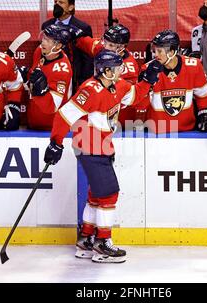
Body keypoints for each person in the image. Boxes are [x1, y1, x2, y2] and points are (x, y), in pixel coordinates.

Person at [43, 50, 163, 263]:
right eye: (117, 68)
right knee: (109, 194)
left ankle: (86, 239)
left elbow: (134, 97)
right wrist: (56, 142)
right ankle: (102, 243)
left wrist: (147, 80)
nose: (121, 71)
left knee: (97, 195)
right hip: (89, 148)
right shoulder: (90, 90)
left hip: (103, 147)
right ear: (106, 71)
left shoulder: (118, 85)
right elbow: (64, 116)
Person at [140, 29, 207, 133]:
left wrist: (203, 110)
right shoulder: (148, 69)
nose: (155, 55)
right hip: (157, 133)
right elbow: (140, 105)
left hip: (187, 131)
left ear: (172, 52)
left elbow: (202, 94)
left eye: (159, 51)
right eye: (154, 50)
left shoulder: (193, 66)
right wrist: (144, 86)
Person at [70, 23, 141, 128]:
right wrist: (73, 32)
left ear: (122, 47)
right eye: (106, 42)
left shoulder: (129, 68)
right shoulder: (103, 49)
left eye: (111, 45)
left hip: (118, 117)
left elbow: (125, 98)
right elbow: (84, 42)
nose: (106, 47)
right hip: (97, 110)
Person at [26, 24, 73, 130]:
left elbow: (53, 107)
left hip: (52, 127)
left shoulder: (62, 70)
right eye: (43, 37)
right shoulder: (40, 51)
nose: (43, 42)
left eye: (47, 40)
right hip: (33, 122)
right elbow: (33, 77)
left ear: (58, 46)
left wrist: (41, 91)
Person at [41, 0, 93, 92]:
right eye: (56, 2)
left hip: (74, 80)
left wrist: (82, 82)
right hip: (51, 77)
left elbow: (88, 59)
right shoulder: (47, 25)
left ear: (70, 7)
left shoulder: (83, 28)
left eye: (61, 2)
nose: (56, 4)